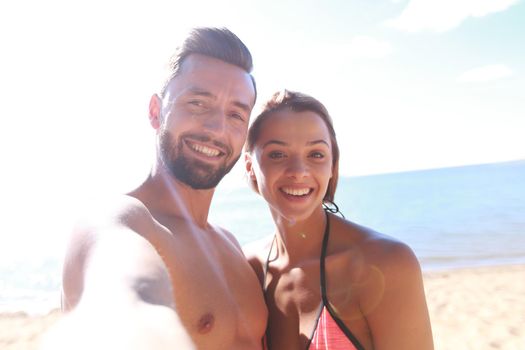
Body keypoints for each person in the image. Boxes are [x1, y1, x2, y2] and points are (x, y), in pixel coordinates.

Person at [47, 27, 268, 350]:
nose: (217, 128)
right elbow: (126, 293)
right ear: (155, 112)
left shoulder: (231, 245)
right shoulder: (118, 221)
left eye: (236, 114)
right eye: (198, 103)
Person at [243, 90, 434, 349]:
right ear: (249, 168)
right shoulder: (246, 270)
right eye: (277, 154)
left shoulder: (384, 263)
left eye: (316, 154)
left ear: (332, 166)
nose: (299, 171)